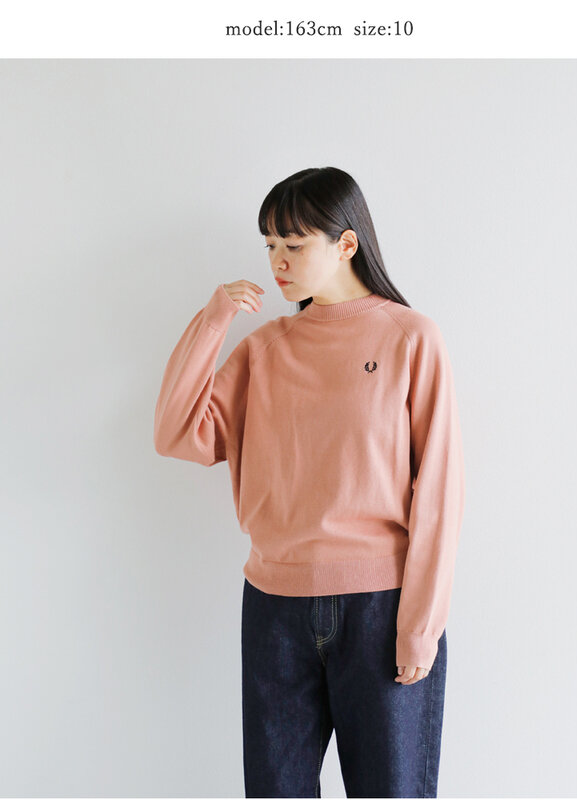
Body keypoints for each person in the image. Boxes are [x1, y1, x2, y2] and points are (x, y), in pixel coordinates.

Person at [153, 166, 466, 798]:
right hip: (274, 608)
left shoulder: (410, 338)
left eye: (293, 245)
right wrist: (214, 320)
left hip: (380, 608)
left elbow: (439, 492)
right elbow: (177, 434)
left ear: (346, 243)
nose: (277, 261)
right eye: (270, 244)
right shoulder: (264, 349)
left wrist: (420, 626)